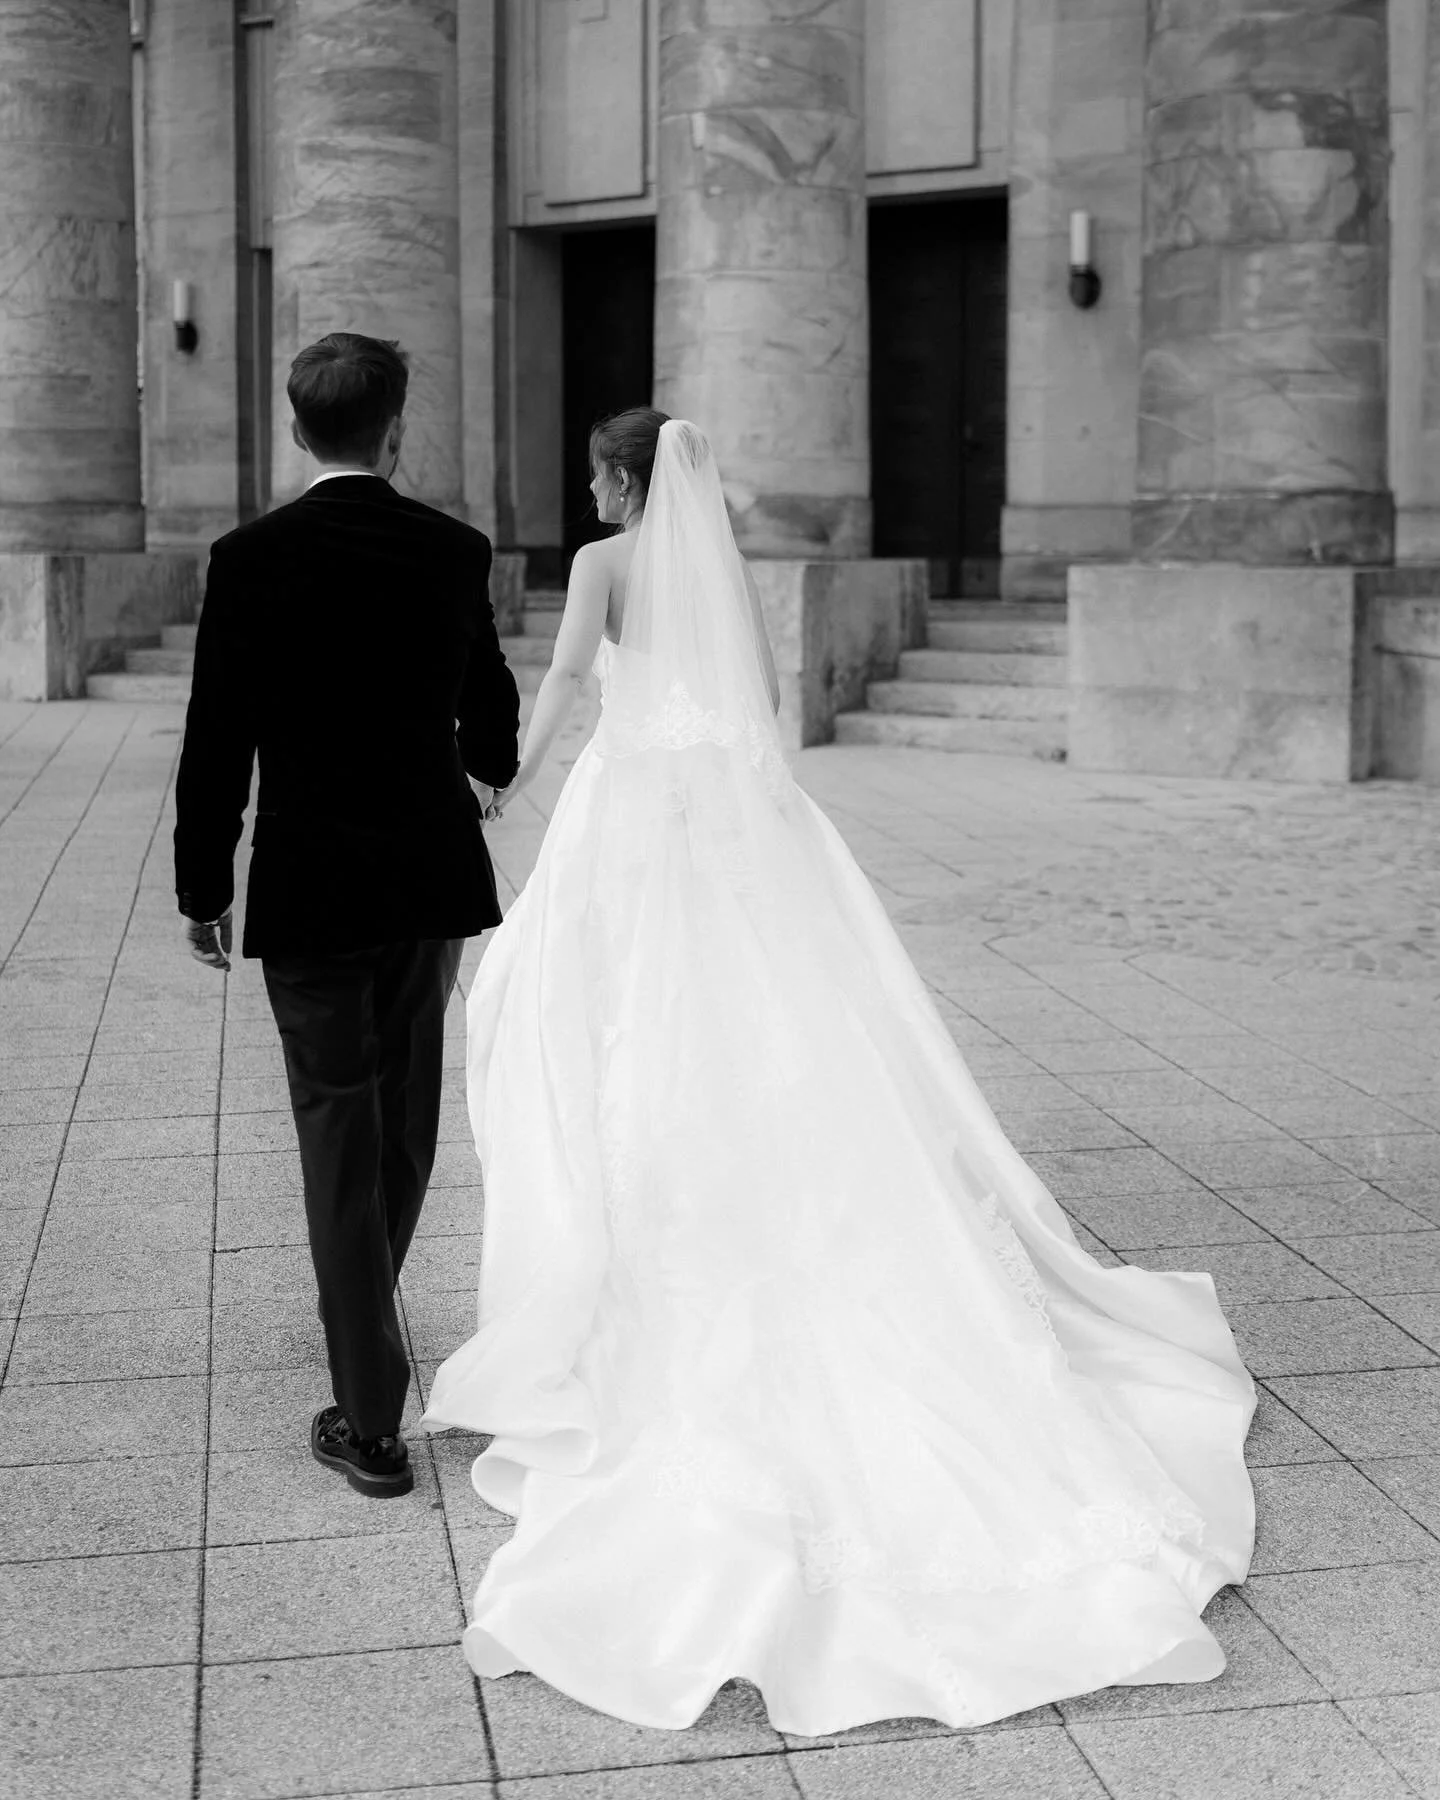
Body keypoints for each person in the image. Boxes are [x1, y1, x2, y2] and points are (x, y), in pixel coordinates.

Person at [422, 410, 1255, 1734]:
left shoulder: (602, 561)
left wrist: (509, 785)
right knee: (760, 1023)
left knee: (601, 1021)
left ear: (626, 480)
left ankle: (630, 1233)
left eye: (596, 469)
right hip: (730, 814)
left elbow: (571, 684)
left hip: (631, 814)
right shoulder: (719, 575)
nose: (589, 485)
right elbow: (750, 705)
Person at [174, 332, 520, 1498]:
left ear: (293, 425)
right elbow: (492, 699)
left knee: (338, 1125)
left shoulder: (250, 556)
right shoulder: (452, 547)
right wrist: (485, 765)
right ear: (396, 425)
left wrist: (201, 883)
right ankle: (365, 1317)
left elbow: (215, 735)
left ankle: (367, 1414)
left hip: (312, 881)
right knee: (404, 1114)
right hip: (426, 875)